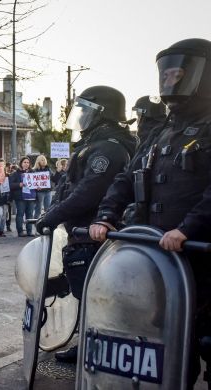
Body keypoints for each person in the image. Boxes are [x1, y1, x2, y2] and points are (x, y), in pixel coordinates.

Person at [89, 39, 211, 389]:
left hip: (200, 253)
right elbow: (127, 178)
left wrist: (188, 229)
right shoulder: (160, 132)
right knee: (168, 340)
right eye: (167, 72)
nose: (172, 79)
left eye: (179, 72)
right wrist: (105, 216)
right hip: (158, 256)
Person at [35, 85, 137, 363]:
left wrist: (52, 217)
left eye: (85, 111)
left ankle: (96, 350)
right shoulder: (94, 144)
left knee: (97, 299)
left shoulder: (109, 148)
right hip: (81, 234)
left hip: (93, 236)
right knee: (87, 296)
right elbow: (70, 187)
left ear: (102, 114)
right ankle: (91, 346)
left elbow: (89, 191)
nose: (80, 117)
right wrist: (53, 211)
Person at [9, 157, 36, 237]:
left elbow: (37, 183)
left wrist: (38, 186)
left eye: (28, 162)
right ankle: (20, 231)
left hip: (31, 197)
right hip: (20, 197)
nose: (26, 164)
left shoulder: (33, 173)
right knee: (20, 214)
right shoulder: (16, 173)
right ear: (21, 163)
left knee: (30, 214)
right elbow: (10, 185)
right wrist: (19, 184)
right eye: (24, 162)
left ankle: (29, 231)